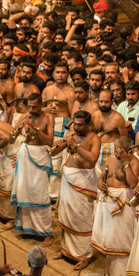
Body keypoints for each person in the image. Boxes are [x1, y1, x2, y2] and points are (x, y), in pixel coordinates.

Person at [91, 135, 139, 276]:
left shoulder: (134, 161)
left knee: (121, 242)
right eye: (115, 149)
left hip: (123, 204)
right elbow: (102, 176)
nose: (116, 153)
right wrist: (99, 183)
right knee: (109, 240)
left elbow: (133, 183)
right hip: (107, 202)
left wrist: (126, 163)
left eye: (119, 150)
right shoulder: (110, 159)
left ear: (128, 150)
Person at [56, 109, 100, 267]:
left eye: (81, 125)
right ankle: (65, 249)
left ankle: (84, 256)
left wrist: (77, 146)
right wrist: (58, 145)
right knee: (67, 215)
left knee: (81, 218)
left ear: (88, 125)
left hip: (83, 181)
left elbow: (93, 159)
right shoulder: (70, 134)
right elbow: (55, 151)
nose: (76, 127)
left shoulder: (94, 138)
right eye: (75, 124)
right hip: (69, 179)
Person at [12, 93, 55, 244]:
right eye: (29, 106)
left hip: (40, 156)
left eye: (34, 107)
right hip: (26, 155)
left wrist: (35, 128)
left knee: (40, 194)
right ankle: (28, 229)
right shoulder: (25, 116)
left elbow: (50, 141)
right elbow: (11, 137)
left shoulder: (48, 118)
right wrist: (18, 128)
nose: (31, 109)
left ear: (42, 105)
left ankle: (47, 233)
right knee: (25, 192)